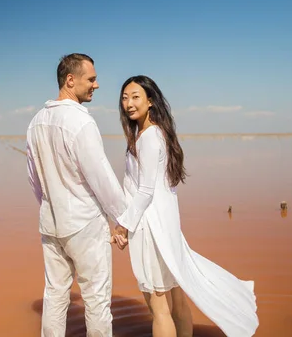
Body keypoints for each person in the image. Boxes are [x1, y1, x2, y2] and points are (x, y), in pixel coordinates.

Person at [116, 75, 259, 336]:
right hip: (165, 225)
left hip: (151, 227)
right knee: (177, 297)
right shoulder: (158, 133)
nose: (129, 103)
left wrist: (124, 225)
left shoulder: (148, 137)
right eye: (125, 98)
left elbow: (145, 191)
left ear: (150, 101)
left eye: (136, 96)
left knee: (158, 307)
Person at [26, 53, 131, 337]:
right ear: (70, 80)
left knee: (55, 296)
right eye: (92, 79)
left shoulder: (36, 122)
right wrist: (123, 219)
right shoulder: (81, 123)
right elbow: (101, 177)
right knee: (96, 299)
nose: (96, 85)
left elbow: (34, 179)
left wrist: (50, 206)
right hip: (84, 224)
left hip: (51, 224)